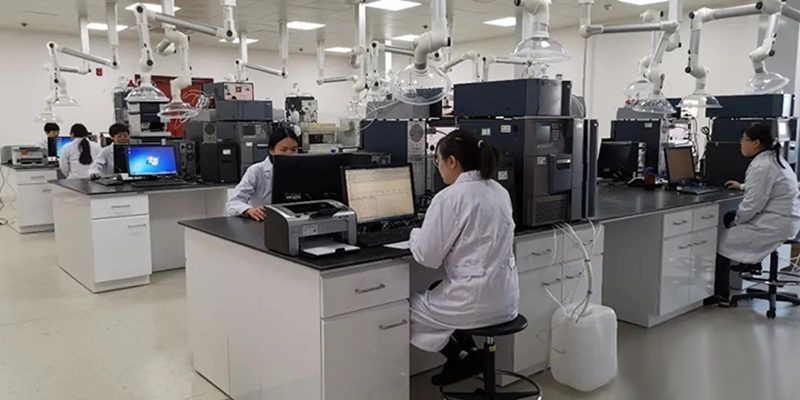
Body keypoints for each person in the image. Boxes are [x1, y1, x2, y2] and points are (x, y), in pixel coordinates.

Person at [408, 130, 519, 386]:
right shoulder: (499, 191)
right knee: (437, 288)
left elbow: (427, 256)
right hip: (505, 300)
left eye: (437, 161)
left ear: (452, 162)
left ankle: (459, 356)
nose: (438, 168)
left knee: (404, 309)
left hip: (473, 302)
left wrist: (414, 234)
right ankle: (466, 355)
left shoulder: (449, 198)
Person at [713, 123, 800, 305]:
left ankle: (721, 294)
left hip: (775, 224)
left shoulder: (761, 166)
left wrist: (738, 221)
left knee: (721, 241)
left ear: (756, 143)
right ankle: (751, 264)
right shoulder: (775, 159)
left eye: (744, 139)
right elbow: (767, 187)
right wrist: (742, 186)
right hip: (787, 220)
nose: (741, 144)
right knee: (731, 218)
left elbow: (753, 204)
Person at [226, 127, 300, 221]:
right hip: (263, 221)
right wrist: (249, 210)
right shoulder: (256, 171)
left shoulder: (302, 170)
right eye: (283, 150)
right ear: (271, 150)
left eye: (293, 149)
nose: (289, 154)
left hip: (295, 220)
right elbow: (233, 202)